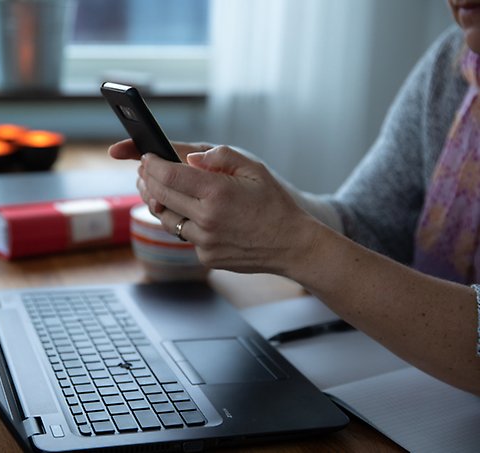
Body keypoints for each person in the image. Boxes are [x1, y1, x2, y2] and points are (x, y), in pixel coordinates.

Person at [109, 0, 480, 396]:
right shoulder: (454, 64)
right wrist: (259, 196)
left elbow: (320, 246)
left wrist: (293, 244)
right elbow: (367, 225)